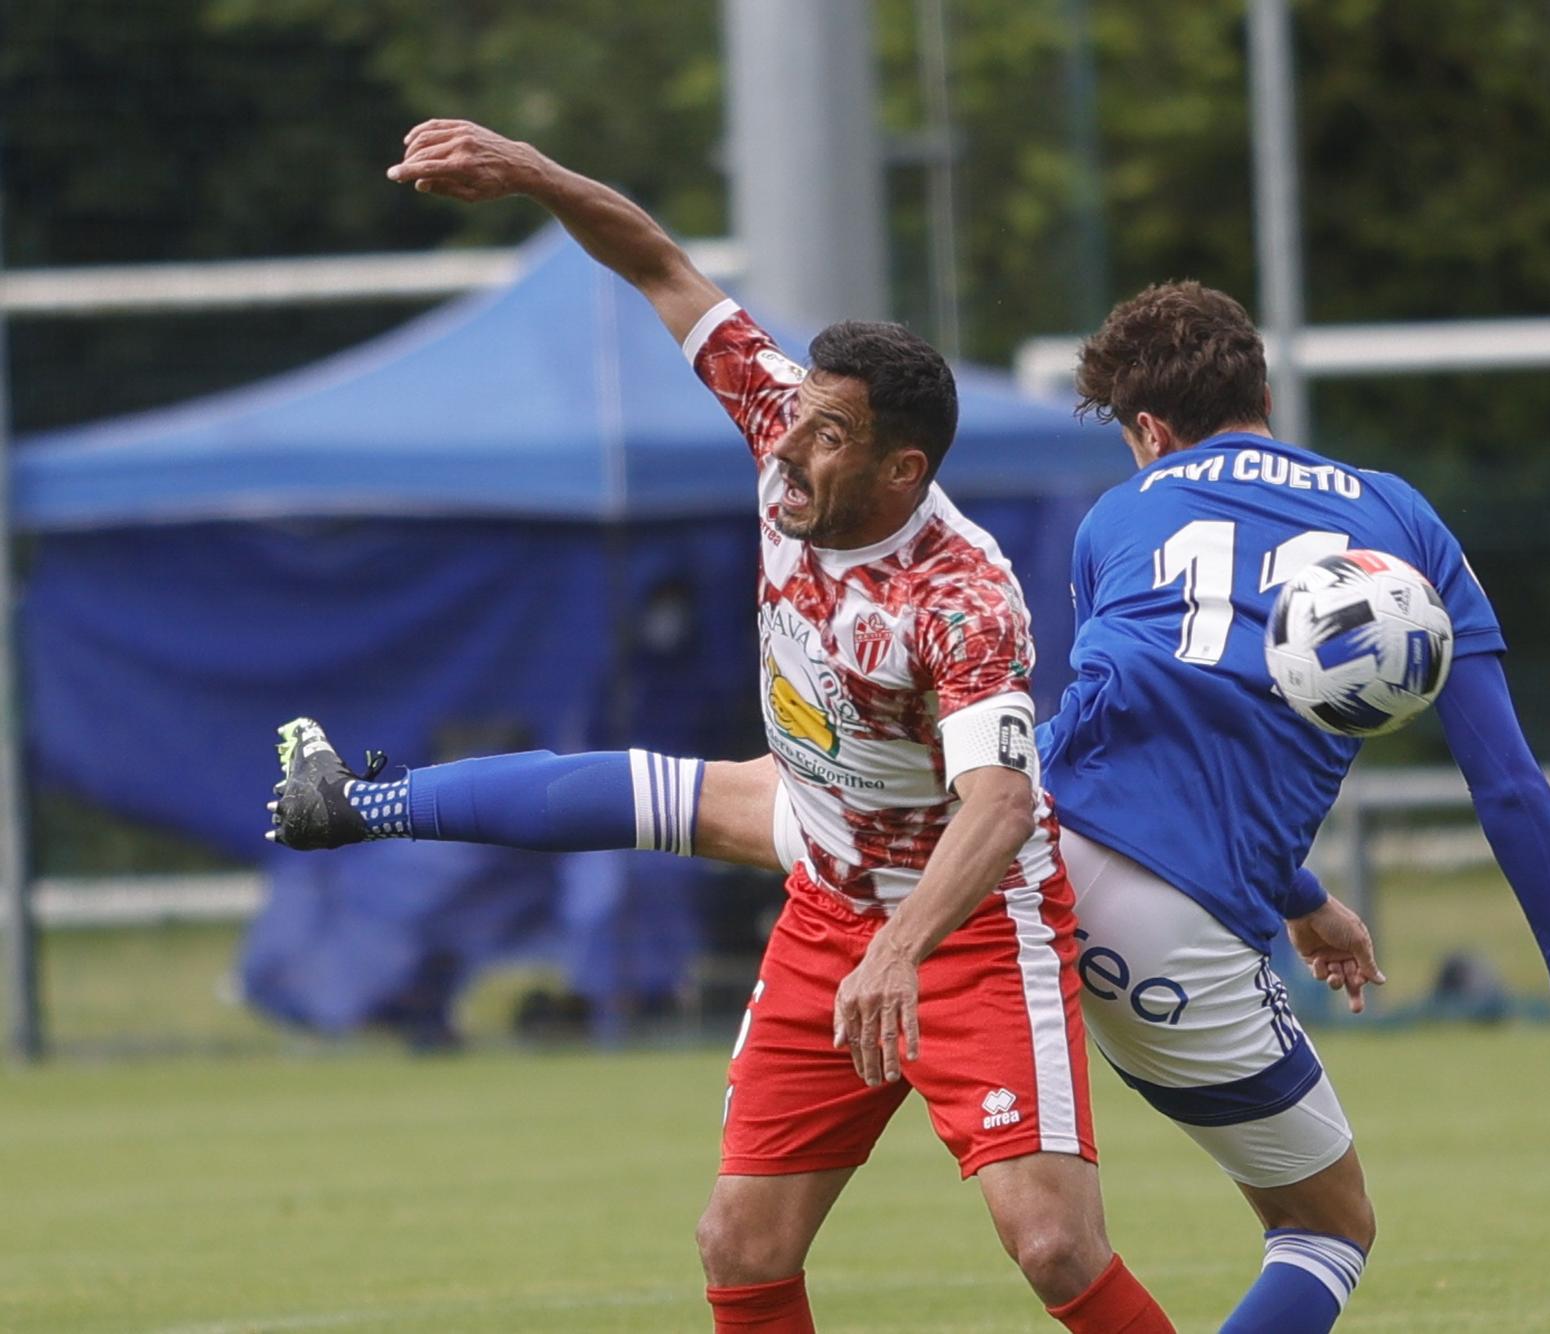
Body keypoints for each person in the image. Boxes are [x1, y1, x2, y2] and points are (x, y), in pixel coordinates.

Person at [270, 119, 1175, 1334]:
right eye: (794, 412)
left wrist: (900, 944)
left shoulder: (956, 593)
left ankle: (371, 800)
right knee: (738, 1243)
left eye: (829, 434)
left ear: (902, 469)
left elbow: (1003, 805)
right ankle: (367, 800)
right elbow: (656, 262)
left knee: (1055, 1244)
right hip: (825, 876)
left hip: (960, 922)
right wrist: (534, 174)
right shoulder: (780, 426)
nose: (789, 448)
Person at [1036, 280, 1550, 1331]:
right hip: (1170, 914)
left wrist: (1302, 896)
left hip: (1025, 854)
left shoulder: (1114, 515)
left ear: (1147, 431)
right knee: (1324, 1226)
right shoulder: (1397, 516)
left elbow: (1153, 718)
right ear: (1262, 388)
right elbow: (1503, 779)